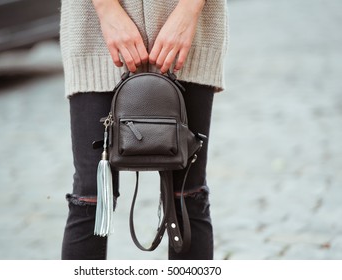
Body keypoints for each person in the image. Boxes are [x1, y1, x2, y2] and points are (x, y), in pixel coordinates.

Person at [60, 0, 228, 260]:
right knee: (90, 200)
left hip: (188, 33)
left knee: (188, 197)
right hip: (94, 33)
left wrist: (187, 12)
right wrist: (107, 11)